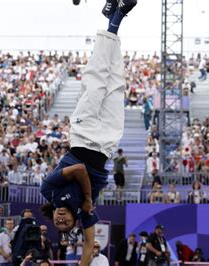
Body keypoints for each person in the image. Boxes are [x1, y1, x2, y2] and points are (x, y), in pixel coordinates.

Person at [39, 1, 137, 265]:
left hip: (83, 134)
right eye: (65, 224)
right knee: (116, 85)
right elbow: (89, 246)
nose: (61, 219)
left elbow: (80, 170)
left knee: (96, 79)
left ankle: (115, 19)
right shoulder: (85, 215)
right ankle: (114, 20)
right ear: (73, 222)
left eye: (58, 221)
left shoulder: (48, 190)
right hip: (105, 144)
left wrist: (87, 200)